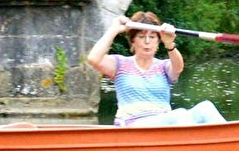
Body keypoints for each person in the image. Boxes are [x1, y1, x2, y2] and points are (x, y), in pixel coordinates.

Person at [86, 11, 225, 127]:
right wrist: (114, 29)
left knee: (206, 108)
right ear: (133, 42)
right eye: (141, 37)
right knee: (180, 114)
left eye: (152, 37)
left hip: (164, 124)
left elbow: (178, 67)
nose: (147, 41)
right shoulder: (120, 64)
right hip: (132, 125)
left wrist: (169, 43)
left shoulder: (163, 66)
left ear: (158, 42)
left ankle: (228, 143)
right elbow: (93, 58)